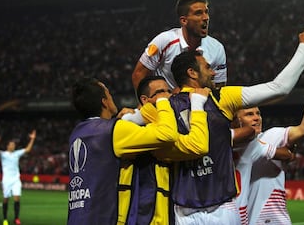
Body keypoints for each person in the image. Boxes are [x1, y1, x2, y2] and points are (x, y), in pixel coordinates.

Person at [168, 28, 304, 224]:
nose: (213, 72)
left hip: (185, 210)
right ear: (191, 73)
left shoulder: (165, 107)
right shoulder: (221, 97)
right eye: (207, 67)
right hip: (219, 211)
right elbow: (279, 88)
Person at [68, 77, 209, 225]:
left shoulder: (77, 134)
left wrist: (136, 117)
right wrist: (161, 102)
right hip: (105, 218)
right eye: (109, 94)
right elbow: (167, 134)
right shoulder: (115, 130)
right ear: (104, 101)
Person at [233, 63, 304, 225]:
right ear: (236, 120)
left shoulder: (271, 136)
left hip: (272, 218)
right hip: (246, 218)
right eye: (249, 114)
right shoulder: (228, 144)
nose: (256, 117)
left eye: (258, 113)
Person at [118, 75, 211, 225]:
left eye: (169, 91)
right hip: (142, 216)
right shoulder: (141, 131)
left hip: (168, 215)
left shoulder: (170, 126)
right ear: (145, 99)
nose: (167, 96)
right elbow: (197, 145)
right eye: (161, 92)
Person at [132, 0, 227, 92]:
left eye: (206, 12)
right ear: (184, 21)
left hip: (199, 102)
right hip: (166, 104)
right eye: (198, 13)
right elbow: (139, 74)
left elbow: (219, 86)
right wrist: (146, 104)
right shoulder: (164, 41)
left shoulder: (217, 48)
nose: (206, 17)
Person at [0, 130, 37, 225]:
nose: (13, 146)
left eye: (14, 145)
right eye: (11, 144)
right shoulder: (3, 154)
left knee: (17, 199)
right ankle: (5, 219)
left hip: (16, 180)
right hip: (7, 180)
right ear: (8, 146)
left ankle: (16, 218)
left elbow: (27, 149)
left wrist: (32, 139)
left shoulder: (17, 153)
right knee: (6, 199)